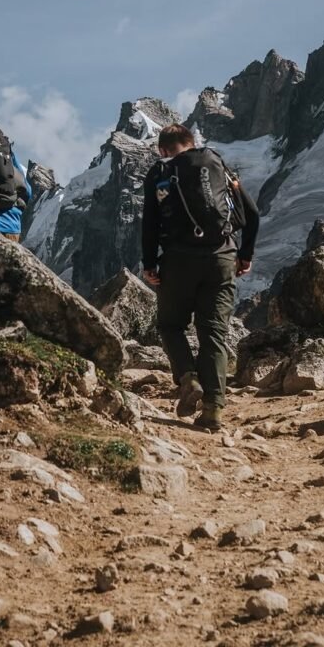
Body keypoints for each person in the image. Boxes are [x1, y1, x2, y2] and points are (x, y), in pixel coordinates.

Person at [142, 123, 259, 431]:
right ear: (192, 143)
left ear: (163, 150)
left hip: (178, 260)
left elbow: (150, 223)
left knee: (170, 324)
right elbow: (253, 213)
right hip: (221, 259)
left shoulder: (159, 172)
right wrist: (244, 254)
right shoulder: (219, 163)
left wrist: (149, 263)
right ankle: (214, 411)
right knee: (214, 335)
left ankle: (188, 377)